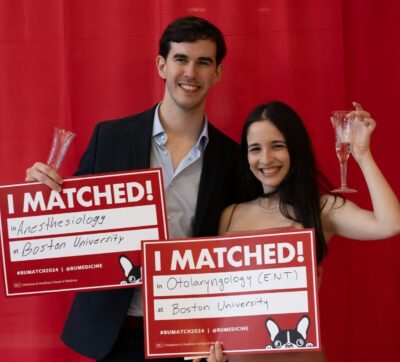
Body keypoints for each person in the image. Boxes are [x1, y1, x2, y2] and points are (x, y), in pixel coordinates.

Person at [25, 16, 241, 361]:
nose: (191, 73)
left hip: (188, 338)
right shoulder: (109, 137)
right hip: (114, 333)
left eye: (204, 62)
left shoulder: (233, 158)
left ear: (217, 73)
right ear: (161, 65)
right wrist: (35, 201)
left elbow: (241, 244)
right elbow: (67, 227)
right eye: (181, 59)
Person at [204, 100, 400, 362]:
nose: (265, 159)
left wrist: (362, 153)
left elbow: (391, 224)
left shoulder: (321, 209)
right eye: (255, 149)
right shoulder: (230, 215)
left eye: (277, 146)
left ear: (294, 150)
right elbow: (219, 302)